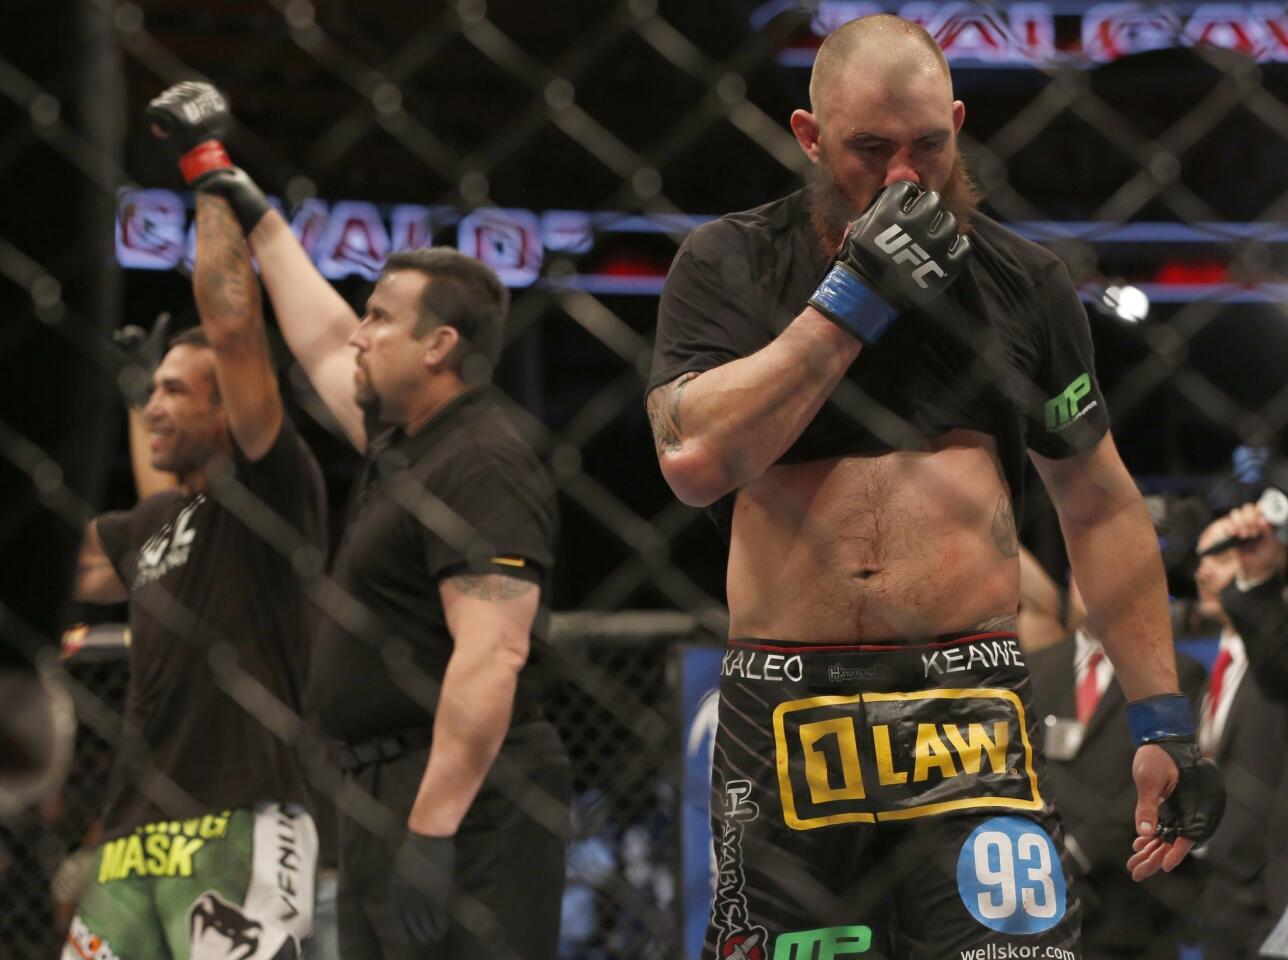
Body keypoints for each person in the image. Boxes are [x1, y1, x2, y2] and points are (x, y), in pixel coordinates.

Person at [646, 14, 1224, 959]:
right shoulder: (731, 263)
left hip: (973, 708)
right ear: (810, 136)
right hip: (792, 715)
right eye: (870, 149)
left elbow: (1100, 502)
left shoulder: (1022, 283)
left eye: (929, 144)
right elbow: (694, 459)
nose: (904, 176)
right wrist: (849, 302)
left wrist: (1165, 723)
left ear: (959, 122)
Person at [142, 82, 571, 959]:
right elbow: (322, 333)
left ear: (440, 347)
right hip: (388, 790)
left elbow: (493, 655)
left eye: (382, 319)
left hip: (467, 802)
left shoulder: (480, 461)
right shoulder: (406, 442)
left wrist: (435, 831)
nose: (361, 336)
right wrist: (236, 191)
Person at [65, 141, 327, 957]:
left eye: (176, 392)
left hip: (243, 816)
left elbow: (235, 327)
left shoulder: (269, 492)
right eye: (153, 393)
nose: (154, 406)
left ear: (230, 412)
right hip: (136, 831)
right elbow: (63, 560)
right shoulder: (161, 523)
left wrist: (208, 173)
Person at [1027, 577, 1205, 960]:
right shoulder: (1036, 667)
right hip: (1035, 896)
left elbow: (1164, 783)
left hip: (1128, 905)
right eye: (1078, 577)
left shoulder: (1176, 677)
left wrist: (1077, 852)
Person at [1190, 512, 1288, 959]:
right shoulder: (1201, 667)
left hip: (1268, 884)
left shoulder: (1271, 660)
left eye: (1222, 556)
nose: (1203, 571)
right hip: (1216, 887)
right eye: (1201, 558)